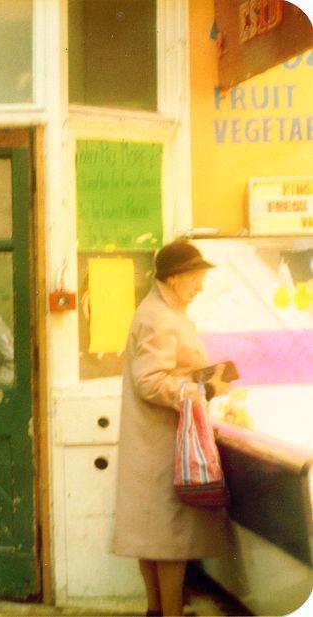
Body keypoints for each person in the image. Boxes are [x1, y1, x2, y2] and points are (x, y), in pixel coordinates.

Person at [112, 240, 232, 617]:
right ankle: (169, 614)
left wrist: (200, 376)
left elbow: (164, 371)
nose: (200, 287)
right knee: (169, 539)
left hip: (156, 440)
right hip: (164, 443)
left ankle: (156, 611)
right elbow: (149, 381)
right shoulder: (159, 317)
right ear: (177, 278)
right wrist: (205, 388)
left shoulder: (163, 310)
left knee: (153, 536)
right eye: (197, 278)